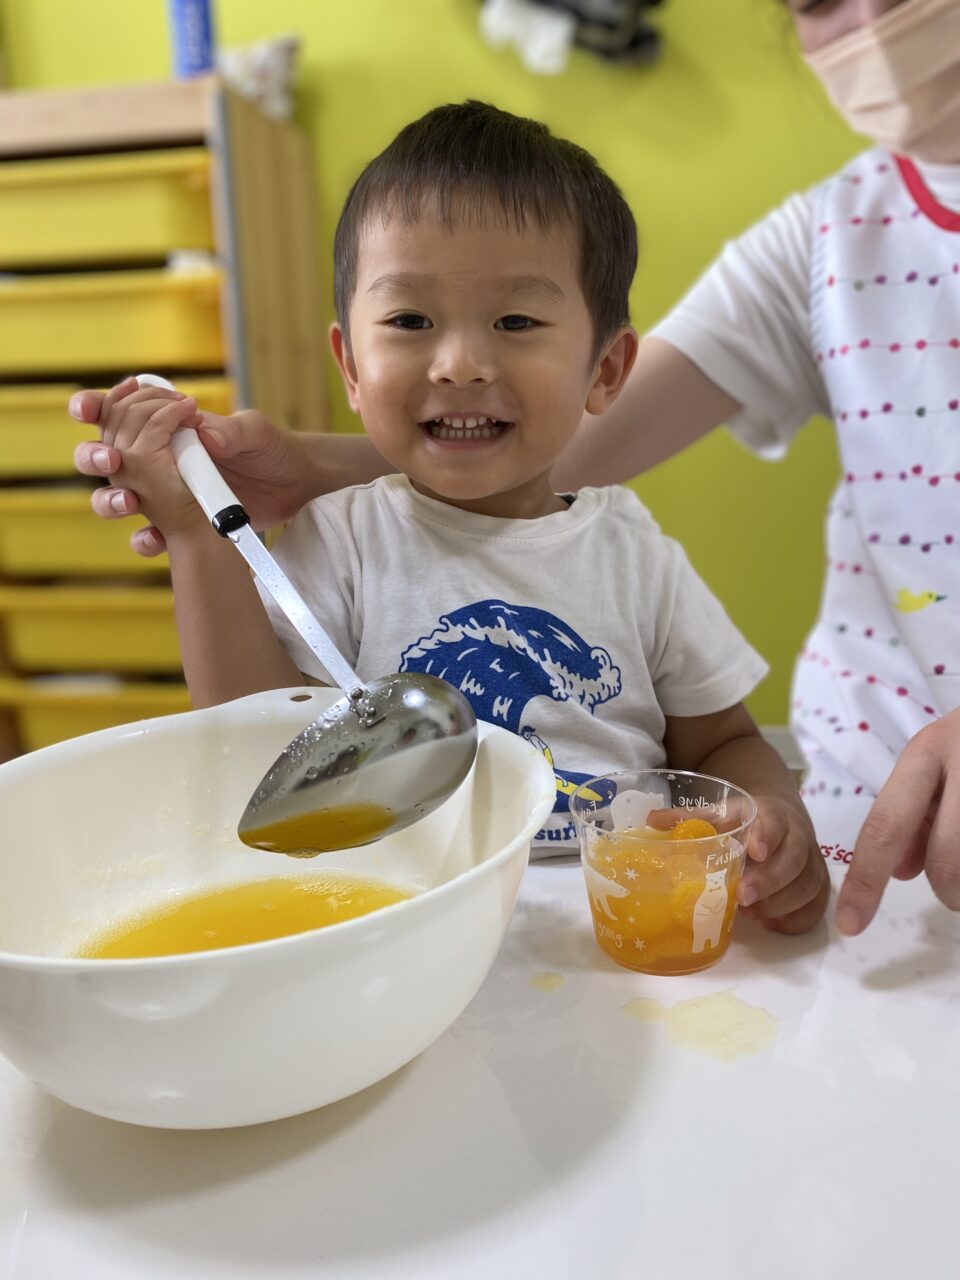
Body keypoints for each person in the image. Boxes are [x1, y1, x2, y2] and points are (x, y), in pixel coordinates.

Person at [88, 102, 828, 934]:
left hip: (619, 934)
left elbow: (722, 744)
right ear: (351, 366)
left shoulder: (634, 553)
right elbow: (260, 739)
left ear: (606, 370)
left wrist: (769, 811)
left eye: (516, 322)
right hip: (401, 931)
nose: (461, 364)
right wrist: (195, 532)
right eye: (410, 321)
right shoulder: (343, 540)